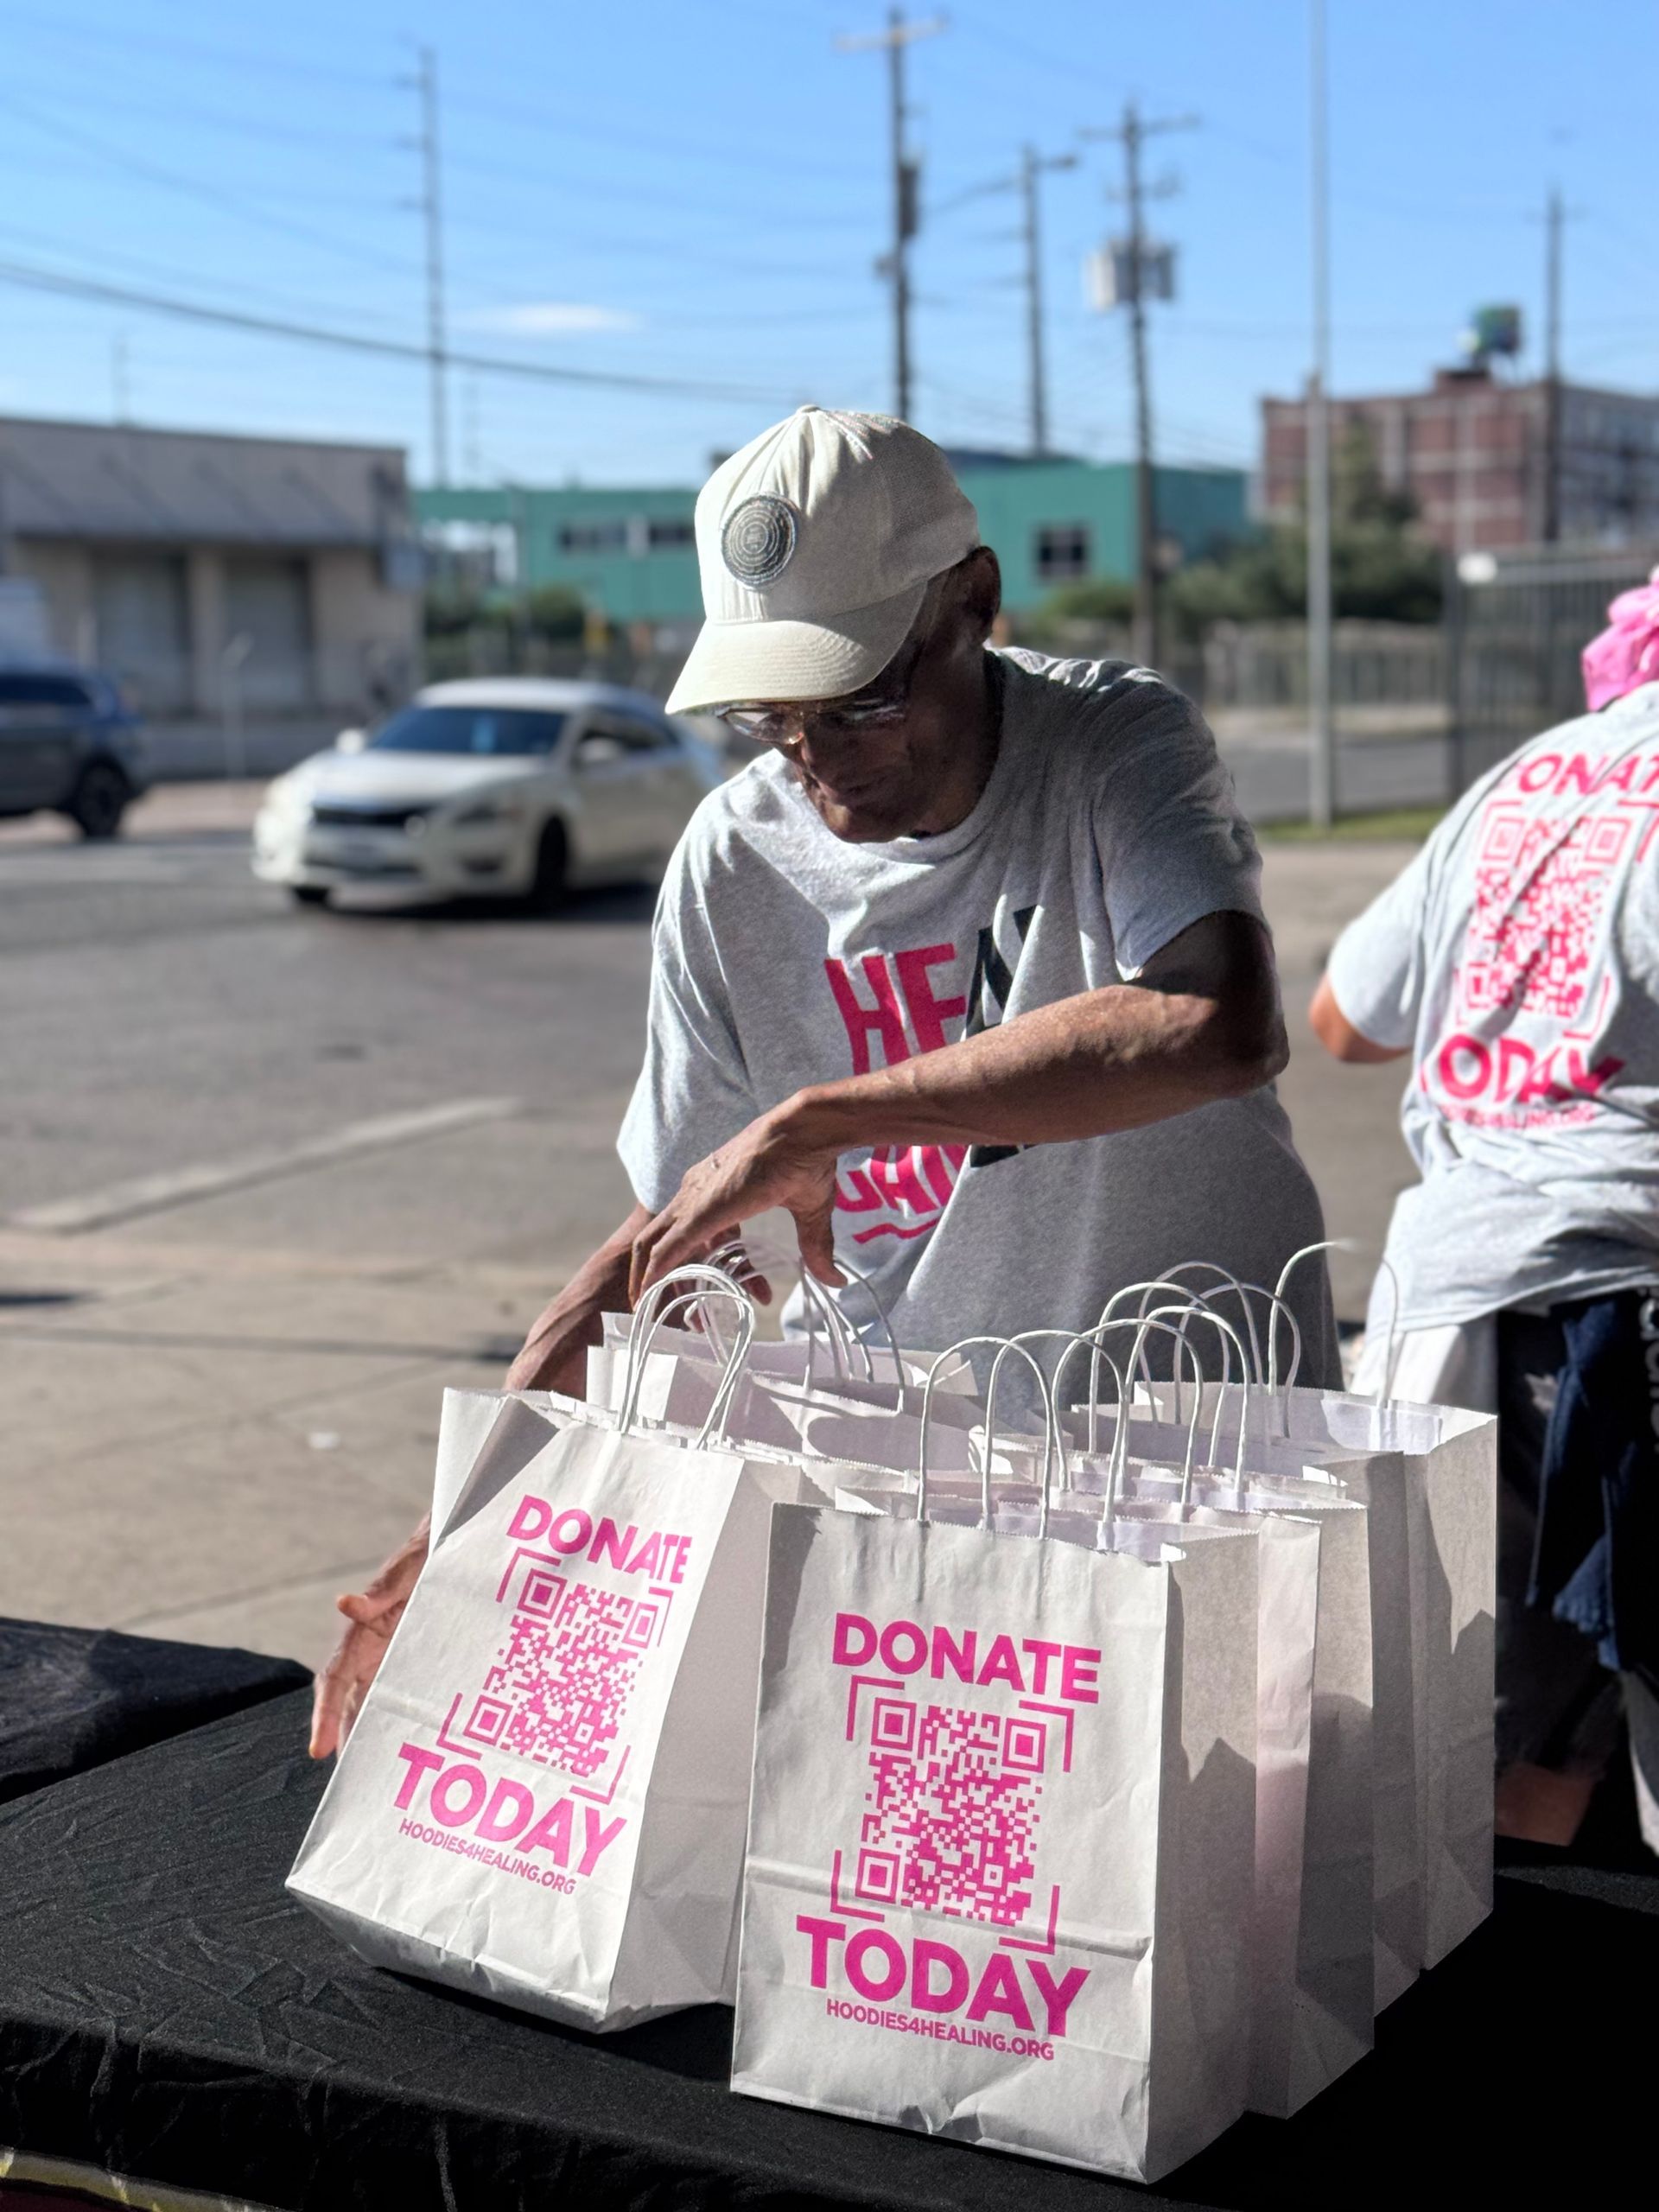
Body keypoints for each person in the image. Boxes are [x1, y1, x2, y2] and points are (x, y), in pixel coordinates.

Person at [310, 404, 1338, 1758]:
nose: (815, 749)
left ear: (972, 600)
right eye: (770, 711)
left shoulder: (1110, 747)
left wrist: (823, 1118)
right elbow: (695, 1245)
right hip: (926, 1501)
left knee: (1234, 1895)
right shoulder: (733, 860)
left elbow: (1214, 1021)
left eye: (859, 693)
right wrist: (461, 1532)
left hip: (1201, 1465)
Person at [1310, 569, 1659, 1853]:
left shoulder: (1527, 778)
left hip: (1442, 1310)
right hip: (1616, 1316)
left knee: (1480, 1741)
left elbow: (1344, 1020)